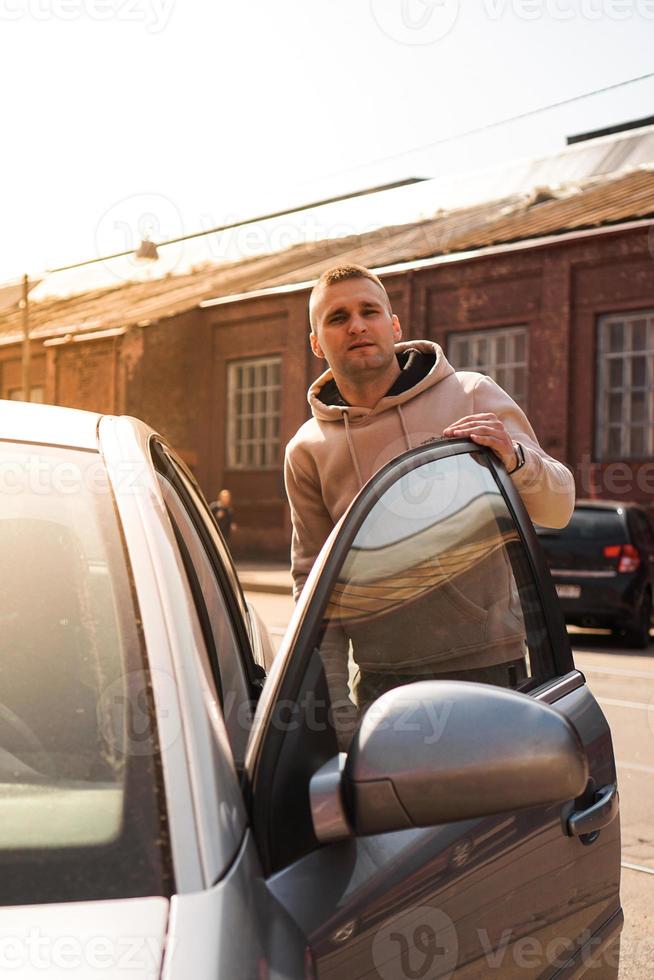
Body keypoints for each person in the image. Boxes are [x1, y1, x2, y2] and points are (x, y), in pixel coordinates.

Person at [283, 264, 575, 742]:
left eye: (369, 311)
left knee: (494, 816)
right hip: (381, 685)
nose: (356, 325)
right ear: (316, 342)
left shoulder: (471, 394)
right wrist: (335, 705)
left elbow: (559, 507)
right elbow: (313, 584)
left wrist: (516, 459)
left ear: (394, 326)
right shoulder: (307, 449)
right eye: (337, 317)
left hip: (492, 672)